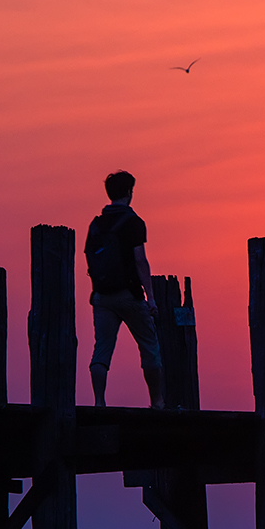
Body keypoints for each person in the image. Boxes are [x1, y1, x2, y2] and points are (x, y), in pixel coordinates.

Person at [85, 169, 164, 408]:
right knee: (149, 347)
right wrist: (150, 298)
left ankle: (99, 402)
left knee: (102, 350)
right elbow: (140, 260)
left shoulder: (96, 224)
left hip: (101, 296)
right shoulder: (133, 222)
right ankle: (158, 403)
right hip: (129, 295)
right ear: (129, 192)